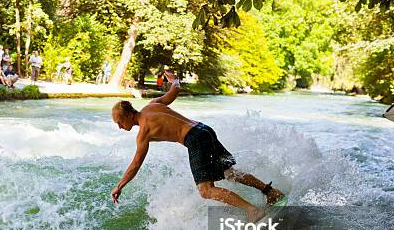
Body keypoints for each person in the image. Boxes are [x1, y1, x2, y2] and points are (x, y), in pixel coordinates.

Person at [110, 71, 285, 220]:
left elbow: (135, 164)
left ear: (128, 115)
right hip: (205, 130)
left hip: (194, 139)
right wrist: (174, 80)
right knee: (229, 173)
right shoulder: (152, 105)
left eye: (119, 122)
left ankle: (252, 210)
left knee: (206, 190)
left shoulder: (144, 133)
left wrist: (119, 186)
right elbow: (174, 92)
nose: (118, 126)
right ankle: (271, 192)